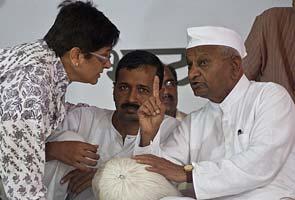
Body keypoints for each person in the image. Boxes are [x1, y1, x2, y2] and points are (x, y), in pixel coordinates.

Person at [134, 26, 295, 199]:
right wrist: (148, 135)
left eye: (203, 63)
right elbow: (158, 172)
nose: (192, 73)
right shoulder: (194, 122)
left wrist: (188, 174)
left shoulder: (269, 96)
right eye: (189, 65)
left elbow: (263, 162)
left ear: (234, 66)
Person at [0, 1, 119, 199]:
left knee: (67, 141)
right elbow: (24, 188)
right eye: (104, 56)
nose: (107, 65)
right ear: (76, 56)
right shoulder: (30, 87)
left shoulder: (45, 62)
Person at [44, 50, 179, 200]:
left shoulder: (173, 129)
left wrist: (102, 176)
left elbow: (160, 186)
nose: (131, 98)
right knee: (65, 139)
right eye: (123, 88)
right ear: (113, 89)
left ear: (158, 93)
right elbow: (26, 155)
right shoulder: (82, 118)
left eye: (142, 90)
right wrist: (53, 150)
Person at [243, 0, 295, 102]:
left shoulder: (271, 19)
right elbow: (239, 77)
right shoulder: (271, 20)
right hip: (272, 111)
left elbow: (238, 78)